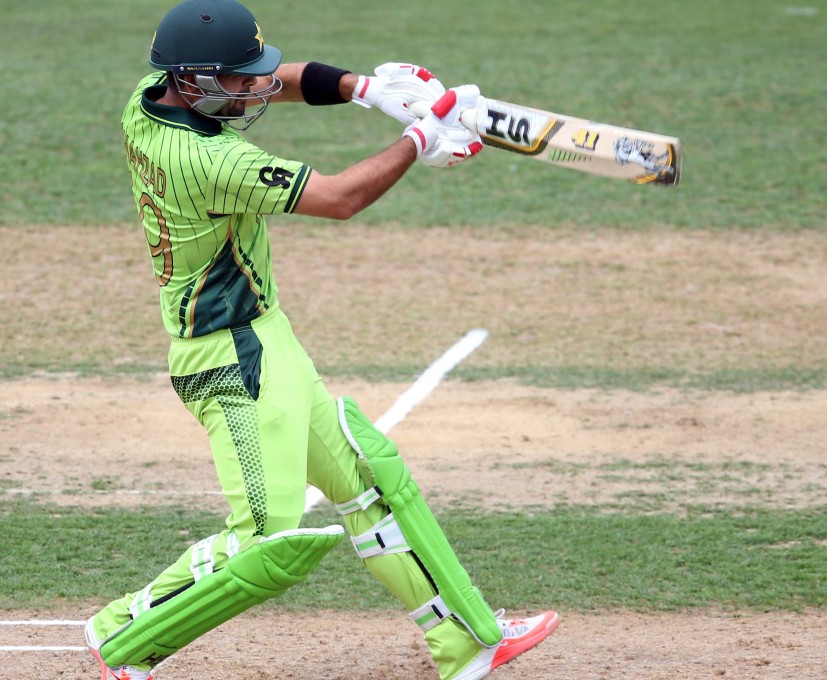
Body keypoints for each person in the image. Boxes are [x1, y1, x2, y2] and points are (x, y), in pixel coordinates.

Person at [83, 1, 560, 679]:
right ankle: (121, 640)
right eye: (241, 80)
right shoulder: (204, 157)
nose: (258, 88)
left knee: (369, 478)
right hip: (230, 359)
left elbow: (282, 78)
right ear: (194, 81)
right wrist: (419, 139)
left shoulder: (149, 96)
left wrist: (363, 90)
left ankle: (467, 640)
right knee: (266, 543)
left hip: (266, 339)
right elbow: (338, 198)